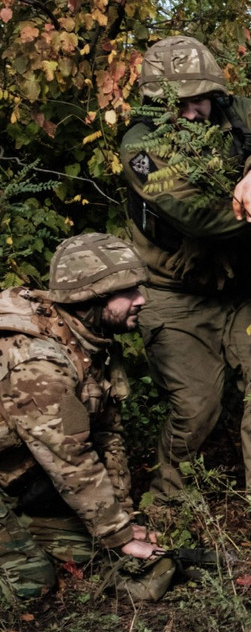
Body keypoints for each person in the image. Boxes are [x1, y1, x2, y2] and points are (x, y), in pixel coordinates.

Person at [119, 36, 251, 524]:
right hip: (174, 298)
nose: (196, 110)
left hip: (242, 288)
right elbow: (197, 216)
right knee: (196, 407)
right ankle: (169, 503)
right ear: (158, 104)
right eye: (183, 103)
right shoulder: (140, 147)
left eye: (201, 97)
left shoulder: (238, 113)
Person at [0, 233, 173, 602]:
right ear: (89, 299)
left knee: (96, 553)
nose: (141, 299)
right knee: (31, 583)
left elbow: (107, 435)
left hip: (16, 476)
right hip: (26, 471)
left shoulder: (91, 341)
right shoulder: (39, 361)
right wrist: (118, 534)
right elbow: (70, 459)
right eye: (127, 291)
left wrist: (123, 524)